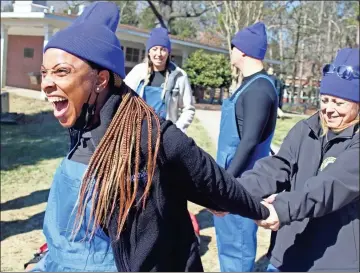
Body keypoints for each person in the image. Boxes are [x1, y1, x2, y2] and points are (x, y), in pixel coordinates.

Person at [26, 2, 271, 272]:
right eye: (45, 72)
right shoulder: (81, 123)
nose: (46, 82)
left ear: (101, 80)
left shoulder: (154, 136)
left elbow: (213, 182)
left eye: (61, 71)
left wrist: (261, 211)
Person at [227, 47, 359, 271]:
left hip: (333, 261)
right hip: (287, 253)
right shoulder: (307, 128)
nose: (328, 109)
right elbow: (278, 166)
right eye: (325, 100)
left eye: (339, 103)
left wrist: (281, 209)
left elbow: (329, 187)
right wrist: (231, 192)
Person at [213, 22, 278, 272]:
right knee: (228, 245)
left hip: (242, 184)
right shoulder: (249, 84)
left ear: (241, 50)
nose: (231, 52)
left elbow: (250, 142)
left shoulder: (260, 89)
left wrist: (226, 184)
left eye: (232, 47)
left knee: (238, 249)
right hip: (231, 179)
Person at [124, 27, 195, 132]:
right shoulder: (137, 72)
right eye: (155, 49)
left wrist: (176, 130)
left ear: (168, 52)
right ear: (149, 52)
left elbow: (188, 109)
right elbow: (123, 98)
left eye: (163, 49)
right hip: (137, 131)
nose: (158, 54)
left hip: (165, 135)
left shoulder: (179, 76)